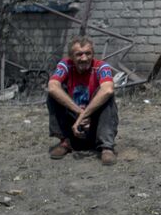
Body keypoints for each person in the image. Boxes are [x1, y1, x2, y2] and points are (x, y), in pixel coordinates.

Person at [46, 36, 118, 165]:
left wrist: (85, 115)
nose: (84, 58)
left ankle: (106, 147)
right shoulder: (65, 65)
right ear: (71, 57)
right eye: (79, 54)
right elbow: (52, 87)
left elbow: (107, 89)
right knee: (54, 93)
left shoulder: (101, 67)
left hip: (96, 127)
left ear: (93, 54)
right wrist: (80, 114)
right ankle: (65, 141)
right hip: (73, 125)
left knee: (107, 94)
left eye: (88, 53)